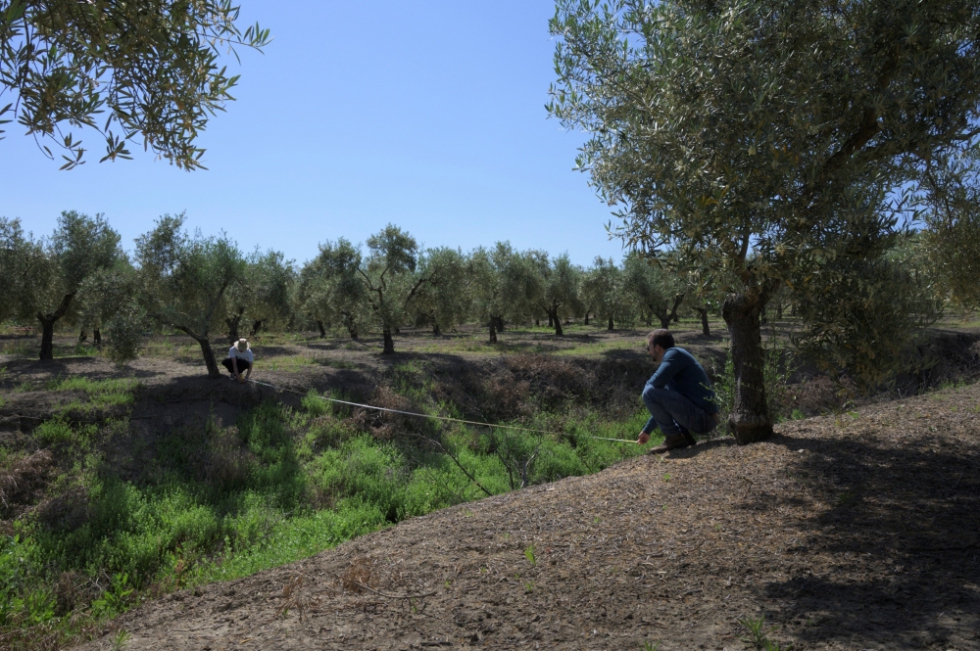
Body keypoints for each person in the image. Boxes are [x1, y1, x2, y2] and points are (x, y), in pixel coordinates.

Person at [637, 329, 720, 453]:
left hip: (704, 419)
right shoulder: (675, 358)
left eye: (648, 347)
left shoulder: (674, 355)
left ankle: (675, 438)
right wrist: (647, 430)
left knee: (649, 391)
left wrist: (649, 386)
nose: (648, 351)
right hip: (703, 418)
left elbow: (652, 386)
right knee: (652, 392)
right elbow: (664, 404)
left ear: (658, 347)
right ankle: (682, 438)